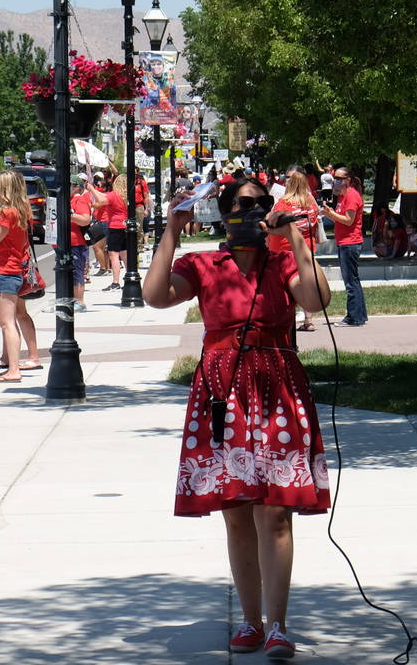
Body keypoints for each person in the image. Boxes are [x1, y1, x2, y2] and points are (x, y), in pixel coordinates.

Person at [143, 176, 332, 660]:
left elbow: (315, 301)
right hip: (222, 392)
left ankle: (278, 626)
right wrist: (172, 230)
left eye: (262, 204)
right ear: (225, 212)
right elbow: (155, 295)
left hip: (276, 384)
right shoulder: (203, 264)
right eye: (245, 204)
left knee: (276, 512)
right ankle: (249, 620)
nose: (255, 211)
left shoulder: (283, 261)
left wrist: (294, 236)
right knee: (236, 513)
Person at [0, 177, 42, 374]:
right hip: (15, 268)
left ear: (5, 188)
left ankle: (13, 369)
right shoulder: (20, 211)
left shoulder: (5, 213)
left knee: (7, 323)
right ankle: (10, 361)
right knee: (13, 318)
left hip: (6, 270)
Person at [268, 165, 321, 332]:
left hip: (283, 249)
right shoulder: (311, 202)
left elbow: (273, 222)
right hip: (306, 248)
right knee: (305, 283)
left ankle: (287, 321)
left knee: (285, 286)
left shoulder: (283, 203)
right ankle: (308, 319)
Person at [320, 166, 368, 326]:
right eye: (335, 178)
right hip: (345, 242)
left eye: (339, 178)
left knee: (350, 281)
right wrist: (329, 214)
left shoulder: (352, 196)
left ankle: (353, 318)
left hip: (350, 243)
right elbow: (341, 220)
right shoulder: (342, 196)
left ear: (348, 180)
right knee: (353, 280)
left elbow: (349, 220)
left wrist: (331, 214)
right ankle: (359, 316)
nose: (336, 181)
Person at [66, 174, 104, 312]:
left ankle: (79, 301)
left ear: (76, 187)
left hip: (77, 242)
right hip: (69, 242)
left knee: (77, 272)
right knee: (70, 272)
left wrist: (69, 215)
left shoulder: (80, 200)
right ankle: (73, 300)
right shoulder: (72, 200)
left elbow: (85, 219)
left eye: (69, 185)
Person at [103, 174, 130, 291]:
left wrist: (91, 189)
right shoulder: (128, 196)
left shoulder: (114, 195)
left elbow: (101, 200)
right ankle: (130, 277)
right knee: (125, 254)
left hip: (115, 226)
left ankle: (115, 282)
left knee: (114, 255)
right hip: (125, 225)